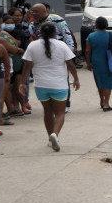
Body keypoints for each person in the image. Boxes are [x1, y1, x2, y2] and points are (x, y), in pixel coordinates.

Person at [22, 22, 80, 151]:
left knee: (47, 112)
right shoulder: (62, 45)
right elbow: (70, 65)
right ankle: (55, 134)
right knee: (60, 113)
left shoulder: (32, 45)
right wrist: (76, 79)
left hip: (40, 85)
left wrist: (22, 82)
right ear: (55, 33)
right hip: (59, 84)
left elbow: (27, 66)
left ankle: (50, 137)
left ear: (40, 32)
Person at [84, 16, 112, 112]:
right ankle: (106, 104)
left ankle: (101, 101)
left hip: (96, 61)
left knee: (99, 82)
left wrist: (88, 63)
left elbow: (88, 51)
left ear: (96, 25)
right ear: (106, 25)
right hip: (109, 61)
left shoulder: (91, 36)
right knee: (108, 83)